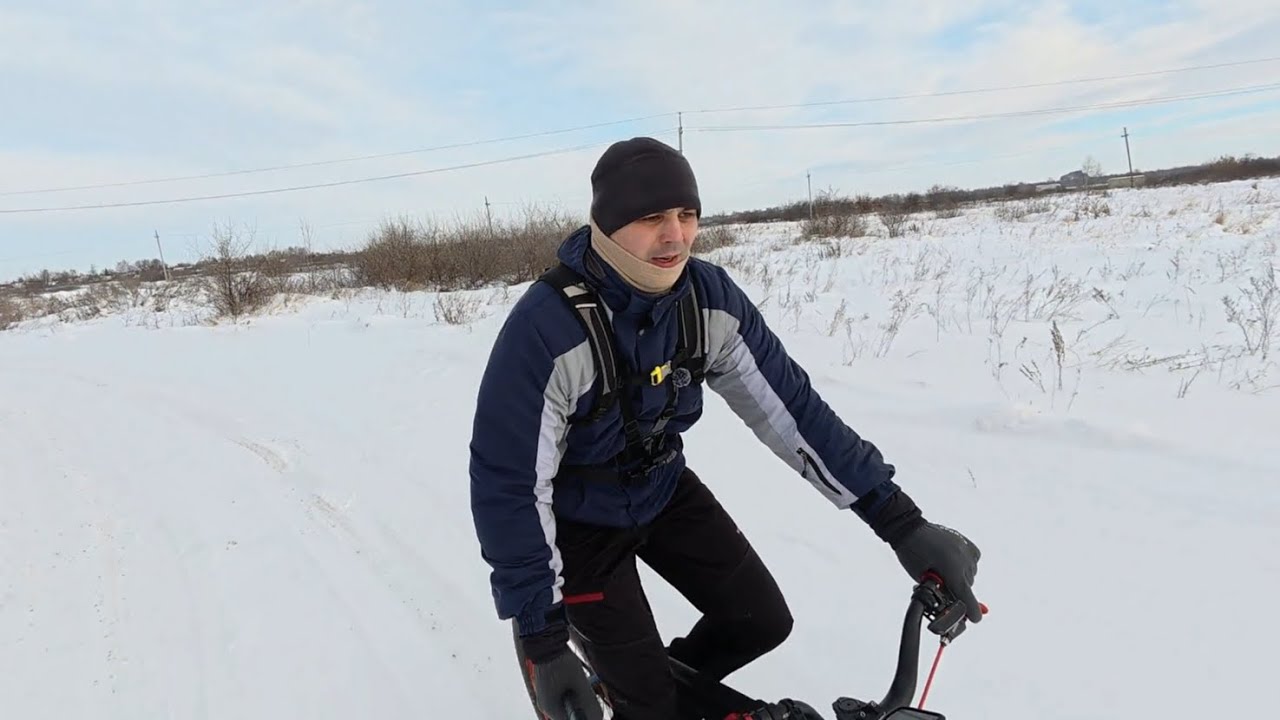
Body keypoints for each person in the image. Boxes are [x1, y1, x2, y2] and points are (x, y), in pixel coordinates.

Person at [469, 136, 982, 720]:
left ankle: (635, 680)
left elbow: (795, 412)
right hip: (578, 523)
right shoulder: (549, 328)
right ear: (608, 225)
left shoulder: (706, 300)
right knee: (653, 706)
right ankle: (639, 691)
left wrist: (900, 521)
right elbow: (507, 484)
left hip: (660, 487)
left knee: (760, 621)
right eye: (651, 218)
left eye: (687, 215)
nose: (676, 235)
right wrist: (541, 638)